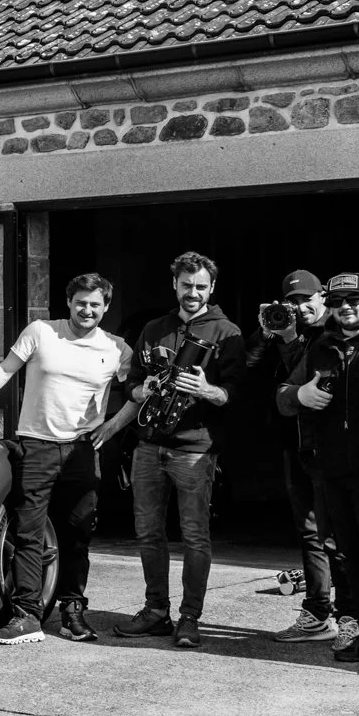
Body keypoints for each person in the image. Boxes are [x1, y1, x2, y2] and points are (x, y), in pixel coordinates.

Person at [0, 272, 135, 644]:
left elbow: (137, 393)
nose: (87, 310)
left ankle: (73, 613)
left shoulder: (118, 348)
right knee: (28, 533)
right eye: (81, 303)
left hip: (83, 450)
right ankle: (27, 617)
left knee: (77, 535)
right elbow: (5, 370)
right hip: (36, 446)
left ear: (106, 307)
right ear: (69, 302)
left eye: (95, 305)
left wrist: (112, 427)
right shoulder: (40, 331)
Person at [280, 273, 359, 675]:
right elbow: (284, 394)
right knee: (349, 555)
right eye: (337, 301)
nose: (346, 307)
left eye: (355, 299)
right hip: (333, 469)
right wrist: (298, 395)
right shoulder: (323, 344)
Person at [116, 251, 245, 649]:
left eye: (201, 286)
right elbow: (130, 384)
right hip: (148, 446)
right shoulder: (154, 327)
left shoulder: (228, 332)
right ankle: (156, 612)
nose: (193, 292)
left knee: (194, 536)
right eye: (186, 285)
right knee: (148, 533)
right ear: (175, 284)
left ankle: (189, 618)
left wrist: (205, 390)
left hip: (194, 449)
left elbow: (236, 395)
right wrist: (144, 389)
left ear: (212, 288)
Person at [246, 270, 355, 646]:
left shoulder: (333, 331)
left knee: (335, 537)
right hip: (296, 447)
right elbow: (249, 371)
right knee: (310, 534)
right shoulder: (288, 331)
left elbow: (298, 381)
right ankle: (317, 612)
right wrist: (267, 333)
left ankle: (349, 617)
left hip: (328, 450)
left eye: (307, 299)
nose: (300, 308)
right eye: (291, 303)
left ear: (323, 297)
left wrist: (290, 340)